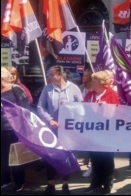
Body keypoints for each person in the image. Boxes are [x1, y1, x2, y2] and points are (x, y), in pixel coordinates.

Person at [37, 65, 83, 195]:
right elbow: (41, 107)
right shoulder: (47, 89)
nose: (49, 77)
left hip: (68, 130)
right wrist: (50, 120)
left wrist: (73, 118)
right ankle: (50, 183)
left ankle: (65, 183)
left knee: (66, 156)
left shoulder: (74, 89)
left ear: (60, 75)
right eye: (49, 75)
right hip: (52, 129)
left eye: (52, 75)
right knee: (50, 156)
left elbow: (82, 107)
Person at [83, 70, 120, 195]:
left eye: (94, 81)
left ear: (102, 83)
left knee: (107, 159)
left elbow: (117, 113)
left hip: (107, 134)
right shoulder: (89, 95)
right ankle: (96, 183)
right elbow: (82, 109)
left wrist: (107, 108)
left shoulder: (111, 94)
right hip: (93, 132)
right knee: (95, 158)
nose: (91, 83)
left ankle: (107, 184)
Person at [1, 67, 30, 192]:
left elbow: (25, 109)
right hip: (2, 129)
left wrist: (24, 128)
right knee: (2, 156)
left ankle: (19, 181)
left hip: (14, 128)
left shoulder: (15, 88)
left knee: (15, 155)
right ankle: (5, 180)